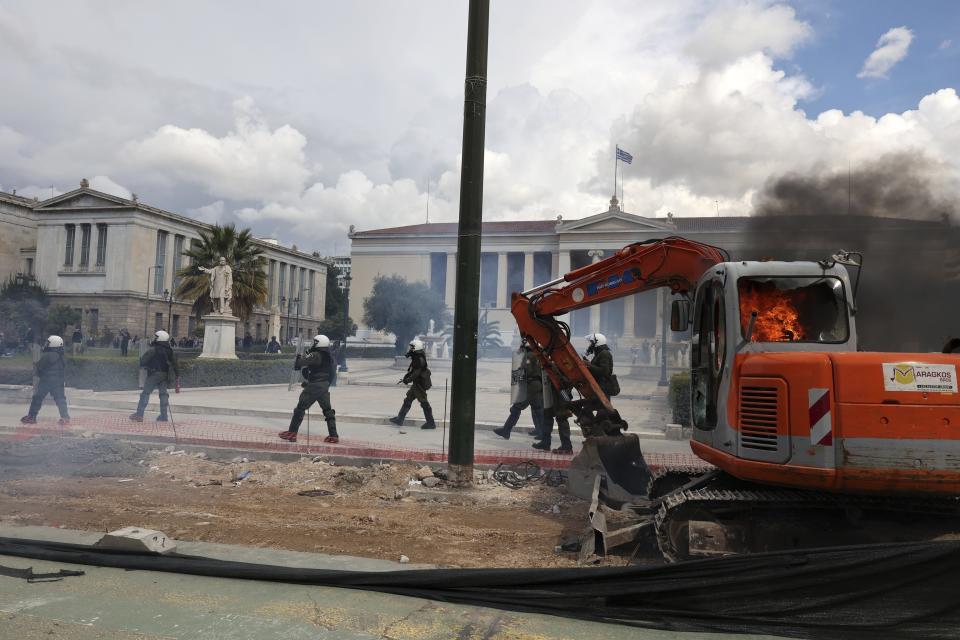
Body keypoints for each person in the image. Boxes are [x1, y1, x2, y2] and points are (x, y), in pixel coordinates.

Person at [279, 334, 339, 443]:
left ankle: (292, 433)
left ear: (318, 343)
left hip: (315, 385)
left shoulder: (315, 354)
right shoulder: (330, 357)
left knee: (300, 407)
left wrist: (300, 355)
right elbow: (331, 373)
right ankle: (334, 435)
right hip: (324, 385)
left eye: (314, 342)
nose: (313, 344)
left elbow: (300, 363)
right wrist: (324, 385)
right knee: (327, 410)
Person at [493, 343, 544, 440]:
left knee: (516, 409)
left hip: (530, 386)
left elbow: (527, 371)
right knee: (538, 410)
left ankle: (506, 430)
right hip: (537, 385)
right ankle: (543, 433)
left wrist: (518, 374)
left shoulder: (529, 356)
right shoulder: (537, 355)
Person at [129, 330, 180, 422]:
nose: (154, 338)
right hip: (165, 375)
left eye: (156, 337)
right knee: (163, 394)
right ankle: (164, 416)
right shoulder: (170, 351)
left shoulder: (153, 350)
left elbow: (143, 362)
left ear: (159, 338)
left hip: (154, 374)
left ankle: (139, 414)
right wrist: (177, 376)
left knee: (145, 393)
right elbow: (175, 365)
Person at [20, 335, 70, 425]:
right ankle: (65, 417)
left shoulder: (47, 355)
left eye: (48, 343)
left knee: (37, 399)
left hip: (46, 381)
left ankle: (31, 417)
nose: (46, 344)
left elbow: (39, 368)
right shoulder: (62, 356)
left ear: (53, 344)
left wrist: (36, 367)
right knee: (60, 399)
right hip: (59, 382)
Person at [389, 338, 436, 429]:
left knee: (423, 402)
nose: (410, 349)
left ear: (416, 347)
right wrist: (406, 378)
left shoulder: (419, 358)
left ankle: (431, 423)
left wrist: (408, 380)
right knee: (408, 399)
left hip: (419, 385)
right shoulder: (417, 356)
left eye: (412, 347)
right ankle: (400, 419)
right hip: (417, 383)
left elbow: (417, 372)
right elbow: (414, 370)